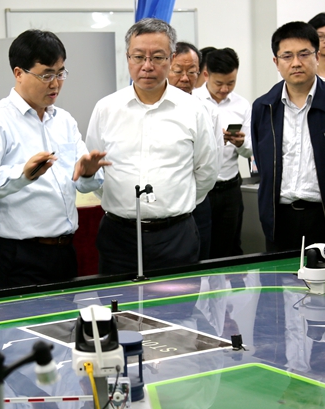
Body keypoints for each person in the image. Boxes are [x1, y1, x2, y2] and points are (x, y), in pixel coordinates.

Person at [0, 30, 109, 289]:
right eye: (46, 75)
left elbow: (84, 185)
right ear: (19, 73)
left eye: (60, 73)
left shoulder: (64, 121)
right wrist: (23, 175)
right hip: (17, 255)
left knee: (66, 316)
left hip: (64, 251)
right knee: (20, 318)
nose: (55, 84)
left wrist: (87, 173)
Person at [86, 18, 219, 274]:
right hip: (119, 236)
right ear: (128, 58)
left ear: (171, 58)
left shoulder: (193, 109)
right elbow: (96, 170)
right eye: (138, 57)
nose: (147, 66)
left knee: (179, 300)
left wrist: (175, 204)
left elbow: (206, 171)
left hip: (175, 236)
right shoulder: (106, 109)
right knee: (118, 299)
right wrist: (122, 204)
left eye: (157, 57)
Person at [251, 22, 325, 254]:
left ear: (317, 57)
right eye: (287, 56)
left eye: (304, 54)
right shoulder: (263, 107)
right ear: (276, 62)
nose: (296, 63)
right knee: (279, 277)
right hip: (279, 220)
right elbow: (263, 162)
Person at [196, 47, 252, 258]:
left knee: (229, 249)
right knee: (201, 248)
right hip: (201, 190)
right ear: (206, 74)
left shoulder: (242, 105)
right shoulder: (193, 101)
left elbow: (251, 151)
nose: (225, 89)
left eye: (231, 83)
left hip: (230, 188)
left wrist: (241, 143)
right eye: (219, 83)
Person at [169, 41, 220, 261]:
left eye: (192, 72)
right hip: (162, 205)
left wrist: (189, 197)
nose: (185, 78)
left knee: (199, 264)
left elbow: (211, 164)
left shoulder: (208, 110)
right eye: (178, 71)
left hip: (197, 203)